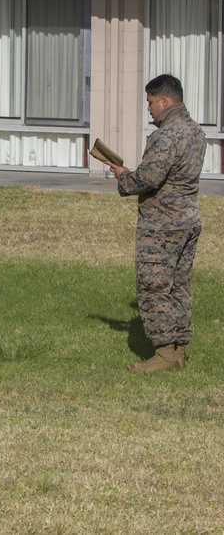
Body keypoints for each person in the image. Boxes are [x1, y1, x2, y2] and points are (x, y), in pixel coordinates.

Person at [111, 74, 206, 373]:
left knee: (154, 287)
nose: (149, 108)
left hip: (162, 225)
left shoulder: (168, 135)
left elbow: (148, 178)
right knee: (179, 286)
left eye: (150, 102)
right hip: (187, 220)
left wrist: (124, 176)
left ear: (164, 101)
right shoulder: (195, 131)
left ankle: (164, 356)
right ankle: (177, 352)